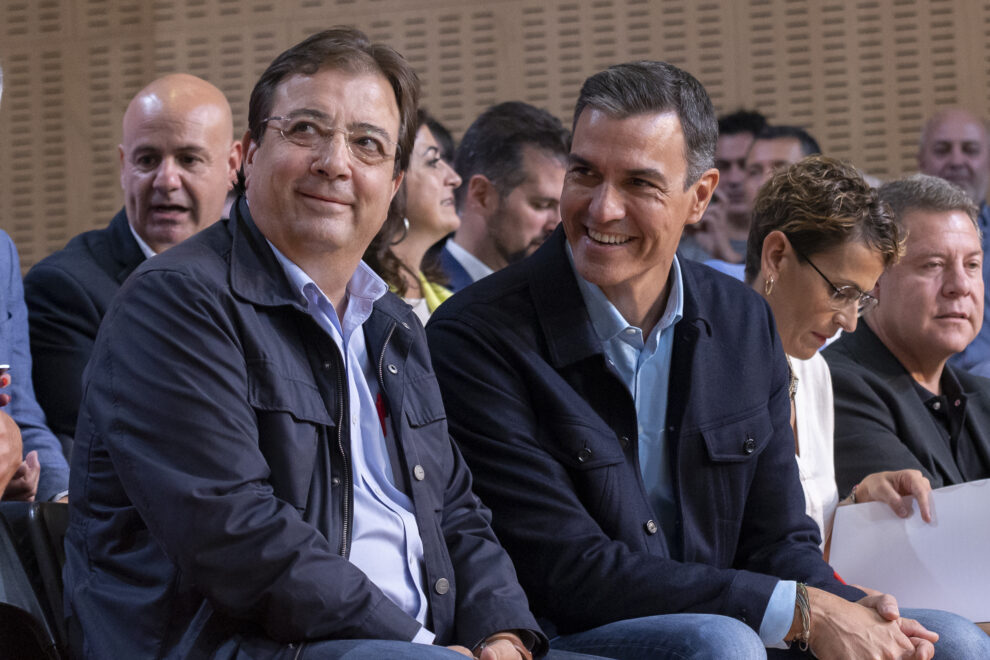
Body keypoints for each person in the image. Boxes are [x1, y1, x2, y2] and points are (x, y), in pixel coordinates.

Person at [63, 27, 564, 660]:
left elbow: (455, 509)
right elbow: (234, 533)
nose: (334, 161)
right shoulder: (174, 300)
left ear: (392, 183)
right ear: (248, 158)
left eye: (367, 144)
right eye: (304, 131)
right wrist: (419, 644)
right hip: (252, 646)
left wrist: (501, 632)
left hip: (419, 646)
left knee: (707, 642)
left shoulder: (392, 321)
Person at [428, 60, 946, 660]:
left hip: (737, 618)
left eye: (639, 185)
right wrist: (800, 611)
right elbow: (565, 570)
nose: (601, 210)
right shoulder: (474, 336)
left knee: (947, 639)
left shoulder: (745, 321)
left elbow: (779, 537)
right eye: (585, 173)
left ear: (699, 196)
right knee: (719, 644)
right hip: (573, 631)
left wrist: (843, 604)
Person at [24, 73, 242, 451]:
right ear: (124, 166)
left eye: (189, 159)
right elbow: (110, 441)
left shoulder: (262, 280)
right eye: (147, 160)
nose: (166, 180)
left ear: (233, 165)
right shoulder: (64, 288)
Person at [825, 173, 990, 495]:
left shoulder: (984, 395)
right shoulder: (838, 387)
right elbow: (926, 530)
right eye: (933, 265)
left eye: (972, 265)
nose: (960, 286)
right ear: (874, 277)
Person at [439, 101, 569, 291]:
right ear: (482, 195)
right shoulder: (421, 298)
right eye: (542, 204)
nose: (557, 225)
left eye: (563, 207)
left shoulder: (554, 291)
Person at [365, 110, 462, 323]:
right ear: (393, 181)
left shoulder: (450, 302)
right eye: (433, 162)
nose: (454, 179)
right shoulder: (356, 298)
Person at [916, 108, 990, 376]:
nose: (956, 161)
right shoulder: (887, 238)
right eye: (942, 149)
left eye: (970, 150)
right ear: (921, 160)